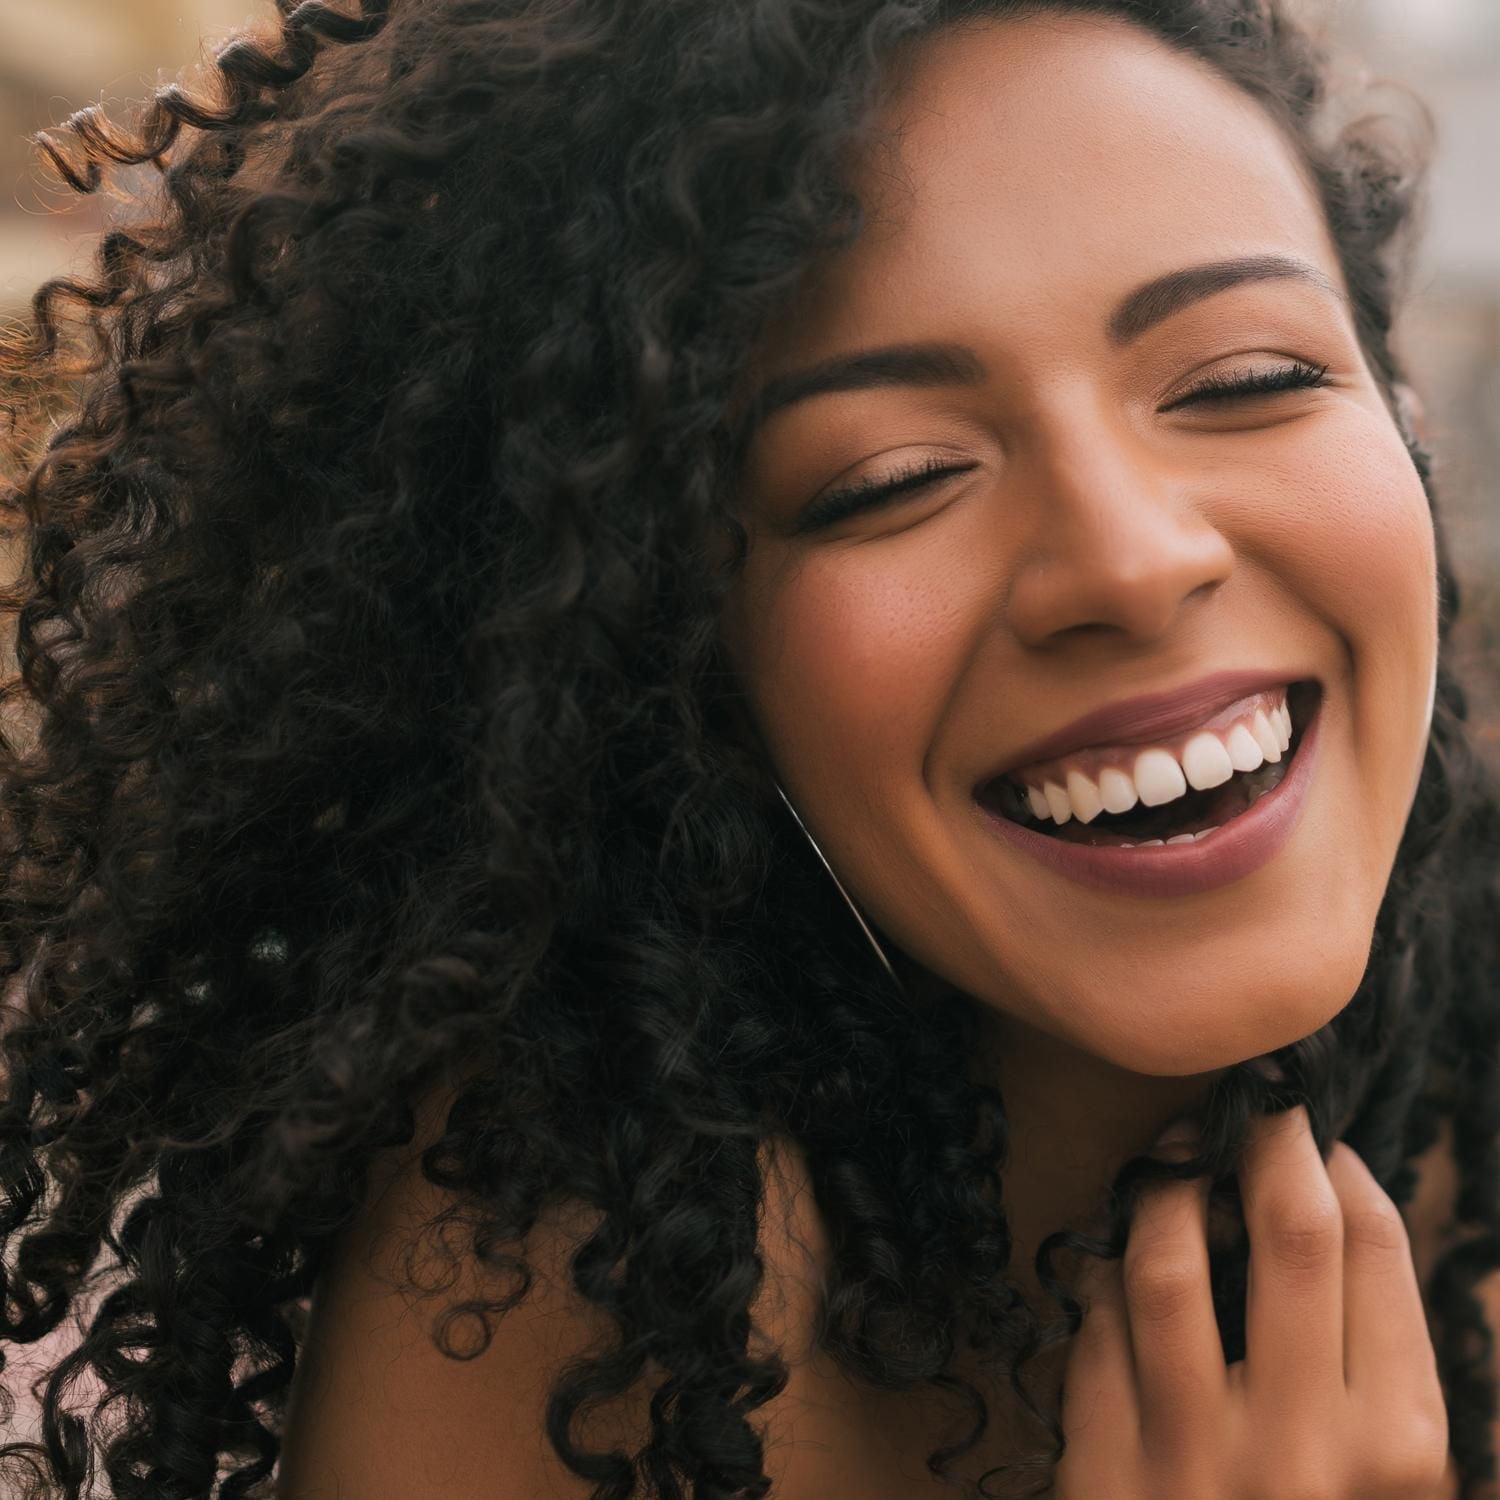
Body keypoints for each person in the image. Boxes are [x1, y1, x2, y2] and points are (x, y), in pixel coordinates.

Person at [0, 0, 1493, 1495]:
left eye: (1245, 380)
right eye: (885, 482)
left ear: (1404, 417)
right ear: (662, 655)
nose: (1127, 560)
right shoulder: (597, 1274)